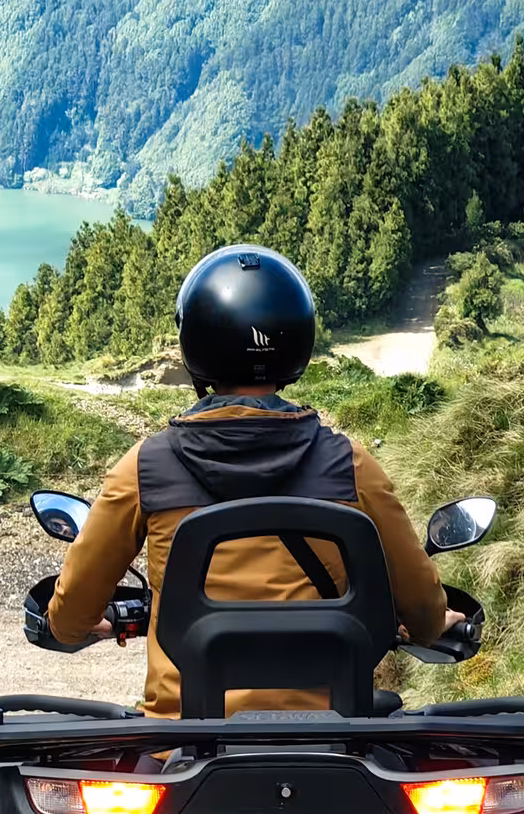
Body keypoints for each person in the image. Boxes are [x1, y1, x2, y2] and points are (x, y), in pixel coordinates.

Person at [40, 244, 461, 718]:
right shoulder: (351, 466)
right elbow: (423, 615)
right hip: (328, 737)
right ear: (298, 339)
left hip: (185, 740)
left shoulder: (145, 467)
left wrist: (82, 623)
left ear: (195, 341)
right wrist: (432, 619)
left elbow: (69, 620)